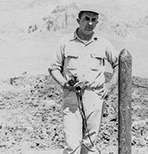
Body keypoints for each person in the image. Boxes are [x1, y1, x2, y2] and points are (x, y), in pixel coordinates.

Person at [48, 7, 119, 154]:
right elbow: (54, 68)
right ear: (78, 20)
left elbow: (118, 64)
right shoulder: (65, 42)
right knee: (72, 145)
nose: (90, 23)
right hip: (72, 97)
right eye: (86, 19)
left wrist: (110, 85)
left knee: (89, 144)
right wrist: (64, 83)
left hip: (95, 97)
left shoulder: (103, 43)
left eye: (94, 20)